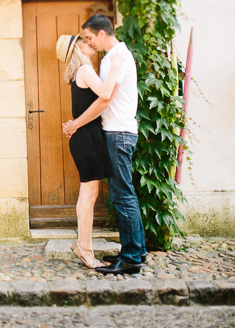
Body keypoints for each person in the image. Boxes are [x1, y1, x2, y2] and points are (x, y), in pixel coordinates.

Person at [62, 14, 147, 275]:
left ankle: (132, 256)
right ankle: (137, 251)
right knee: (123, 193)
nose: (89, 43)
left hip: (118, 132)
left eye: (89, 37)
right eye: (84, 40)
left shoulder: (115, 58)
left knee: (123, 195)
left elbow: (104, 100)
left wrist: (75, 123)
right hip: (117, 131)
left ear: (101, 34)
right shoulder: (112, 58)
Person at [56, 34, 123, 269]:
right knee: (89, 196)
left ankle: (81, 244)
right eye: (84, 42)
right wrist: (116, 63)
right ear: (77, 49)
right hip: (87, 138)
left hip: (85, 137)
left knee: (87, 195)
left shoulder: (80, 72)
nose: (89, 43)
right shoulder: (84, 70)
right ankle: (85, 249)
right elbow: (105, 93)